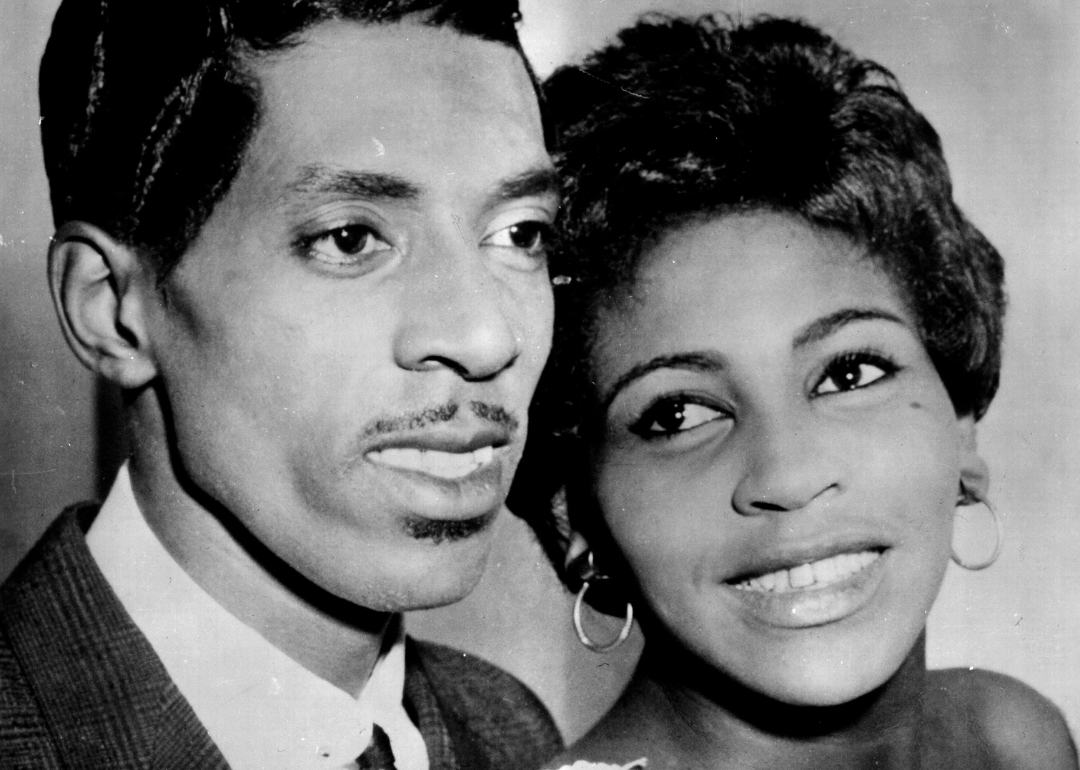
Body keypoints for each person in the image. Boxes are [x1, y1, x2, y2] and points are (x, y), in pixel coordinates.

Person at [0, 1, 563, 768]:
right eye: (351, 239)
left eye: (520, 234)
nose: (485, 337)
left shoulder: (508, 733)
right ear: (113, 312)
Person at [509, 14, 1078, 770]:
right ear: (574, 511)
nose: (788, 474)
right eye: (677, 414)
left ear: (962, 423)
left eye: (849, 373)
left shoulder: (1009, 739)